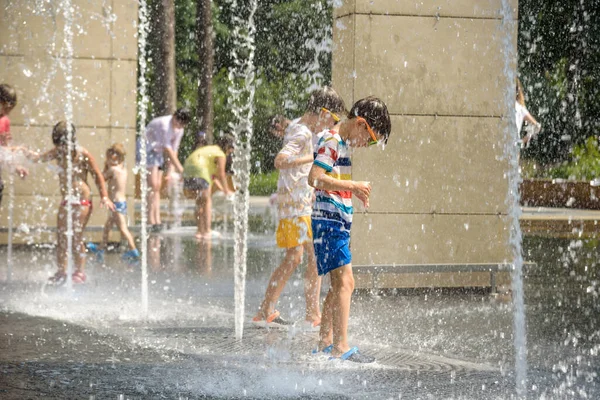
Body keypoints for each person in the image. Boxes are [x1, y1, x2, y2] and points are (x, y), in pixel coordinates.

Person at [252, 87, 346, 329]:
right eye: (332, 119)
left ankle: (295, 311)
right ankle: (274, 309)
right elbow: (280, 161)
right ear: (323, 112)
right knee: (297, 258)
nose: (330, 126)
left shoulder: (298, 126)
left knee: (309, 257)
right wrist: (313, 158)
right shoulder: (302, 132)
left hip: (299, 204)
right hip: (294, 207)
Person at [309, 96, 391, 363]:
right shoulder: (332, 141)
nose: (366, 145)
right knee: (346, 282)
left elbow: (330, 180)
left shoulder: (340, 143)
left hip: (334, 221)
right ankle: (340, 347)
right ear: (360, 124)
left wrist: (349, 191)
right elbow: (315, 177)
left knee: (337, 284)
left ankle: (325, 342)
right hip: (329, 222)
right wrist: (354, 186)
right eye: (369, 139)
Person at [23, 121, 115, 285]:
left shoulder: (83, 154)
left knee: (76, 236)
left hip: (82, 200)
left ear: (71, 141)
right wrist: (22, 152)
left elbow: (97, 175)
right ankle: (61, 271)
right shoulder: (57, 152)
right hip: (67, 200)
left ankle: (79, 272)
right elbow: (38, 158)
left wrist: (105, 196)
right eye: (58, 145)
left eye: (63, 145)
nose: (61, 148)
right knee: (62, 236)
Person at [137, 108, 191, 232]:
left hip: (158, 153)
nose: (178, 125)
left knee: (157, 187)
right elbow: (168, 149)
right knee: (153, 186)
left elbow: (174, 150)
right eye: (177, 120)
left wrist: (170, 171)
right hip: (147, 150)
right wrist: (181, 170)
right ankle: (150, 220)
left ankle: (157, 220)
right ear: (174, 116)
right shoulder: (164, 125)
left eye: (181, 123)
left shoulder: (179, 130)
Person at [87, 143, 139, 264]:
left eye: (112, 155)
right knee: (107, 227)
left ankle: (133, 250)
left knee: (123, 228)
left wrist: (104, 168)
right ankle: (101, 248)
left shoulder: (112, 170)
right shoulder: (123, 170)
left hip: (115, 203)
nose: (110, 158)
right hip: (121, 202)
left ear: (118, 156)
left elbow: (100, 179)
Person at [182, 134, 234, 240]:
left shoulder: (210, 150)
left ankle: (199, 231)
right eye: (231, 149)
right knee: (207, 201)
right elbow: (221, 174)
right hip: (200, 171)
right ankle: (207, 231)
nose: (231, 152)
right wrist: (227, 191)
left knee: (199, 201)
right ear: (228, 147)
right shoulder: (220, 154)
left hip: (187, 170)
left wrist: (223, 189)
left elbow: (213, 178)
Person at [0, 83, 28, 206]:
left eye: (9, 110)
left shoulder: (5, 121)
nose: (7, 113)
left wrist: (17, 167)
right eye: (5, 108)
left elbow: (4, 151)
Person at [516, 78, 541, 147]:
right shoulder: (520, 107)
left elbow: (537, 125)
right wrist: (523, 140)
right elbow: (537, 126)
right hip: (514, 146)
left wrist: (523, 140)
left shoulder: (518, 107)